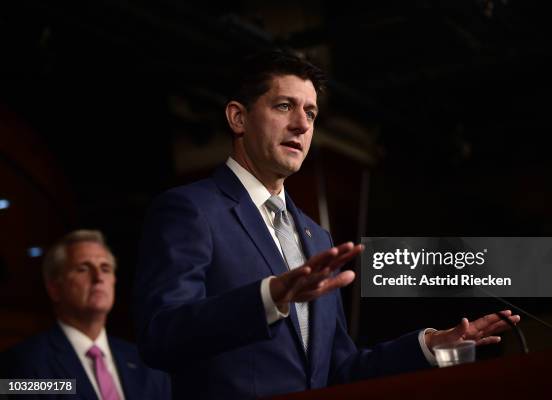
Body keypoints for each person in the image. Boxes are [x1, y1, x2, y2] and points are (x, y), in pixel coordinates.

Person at [134, 50, 520, 399]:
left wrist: (428, 345)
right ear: (238, 117)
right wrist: (270, 297)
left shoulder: (316, 237)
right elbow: (161, 335)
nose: (302, 125)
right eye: (285, 106)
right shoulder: (191, 209)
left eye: (311, 113)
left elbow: (339, 370)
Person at [1, 230, 171, 400]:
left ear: (114, 281)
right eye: (83, 269)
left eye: (105, 268)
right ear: (54, 289)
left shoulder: (147, 364)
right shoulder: (24, 363)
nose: (98, 278)